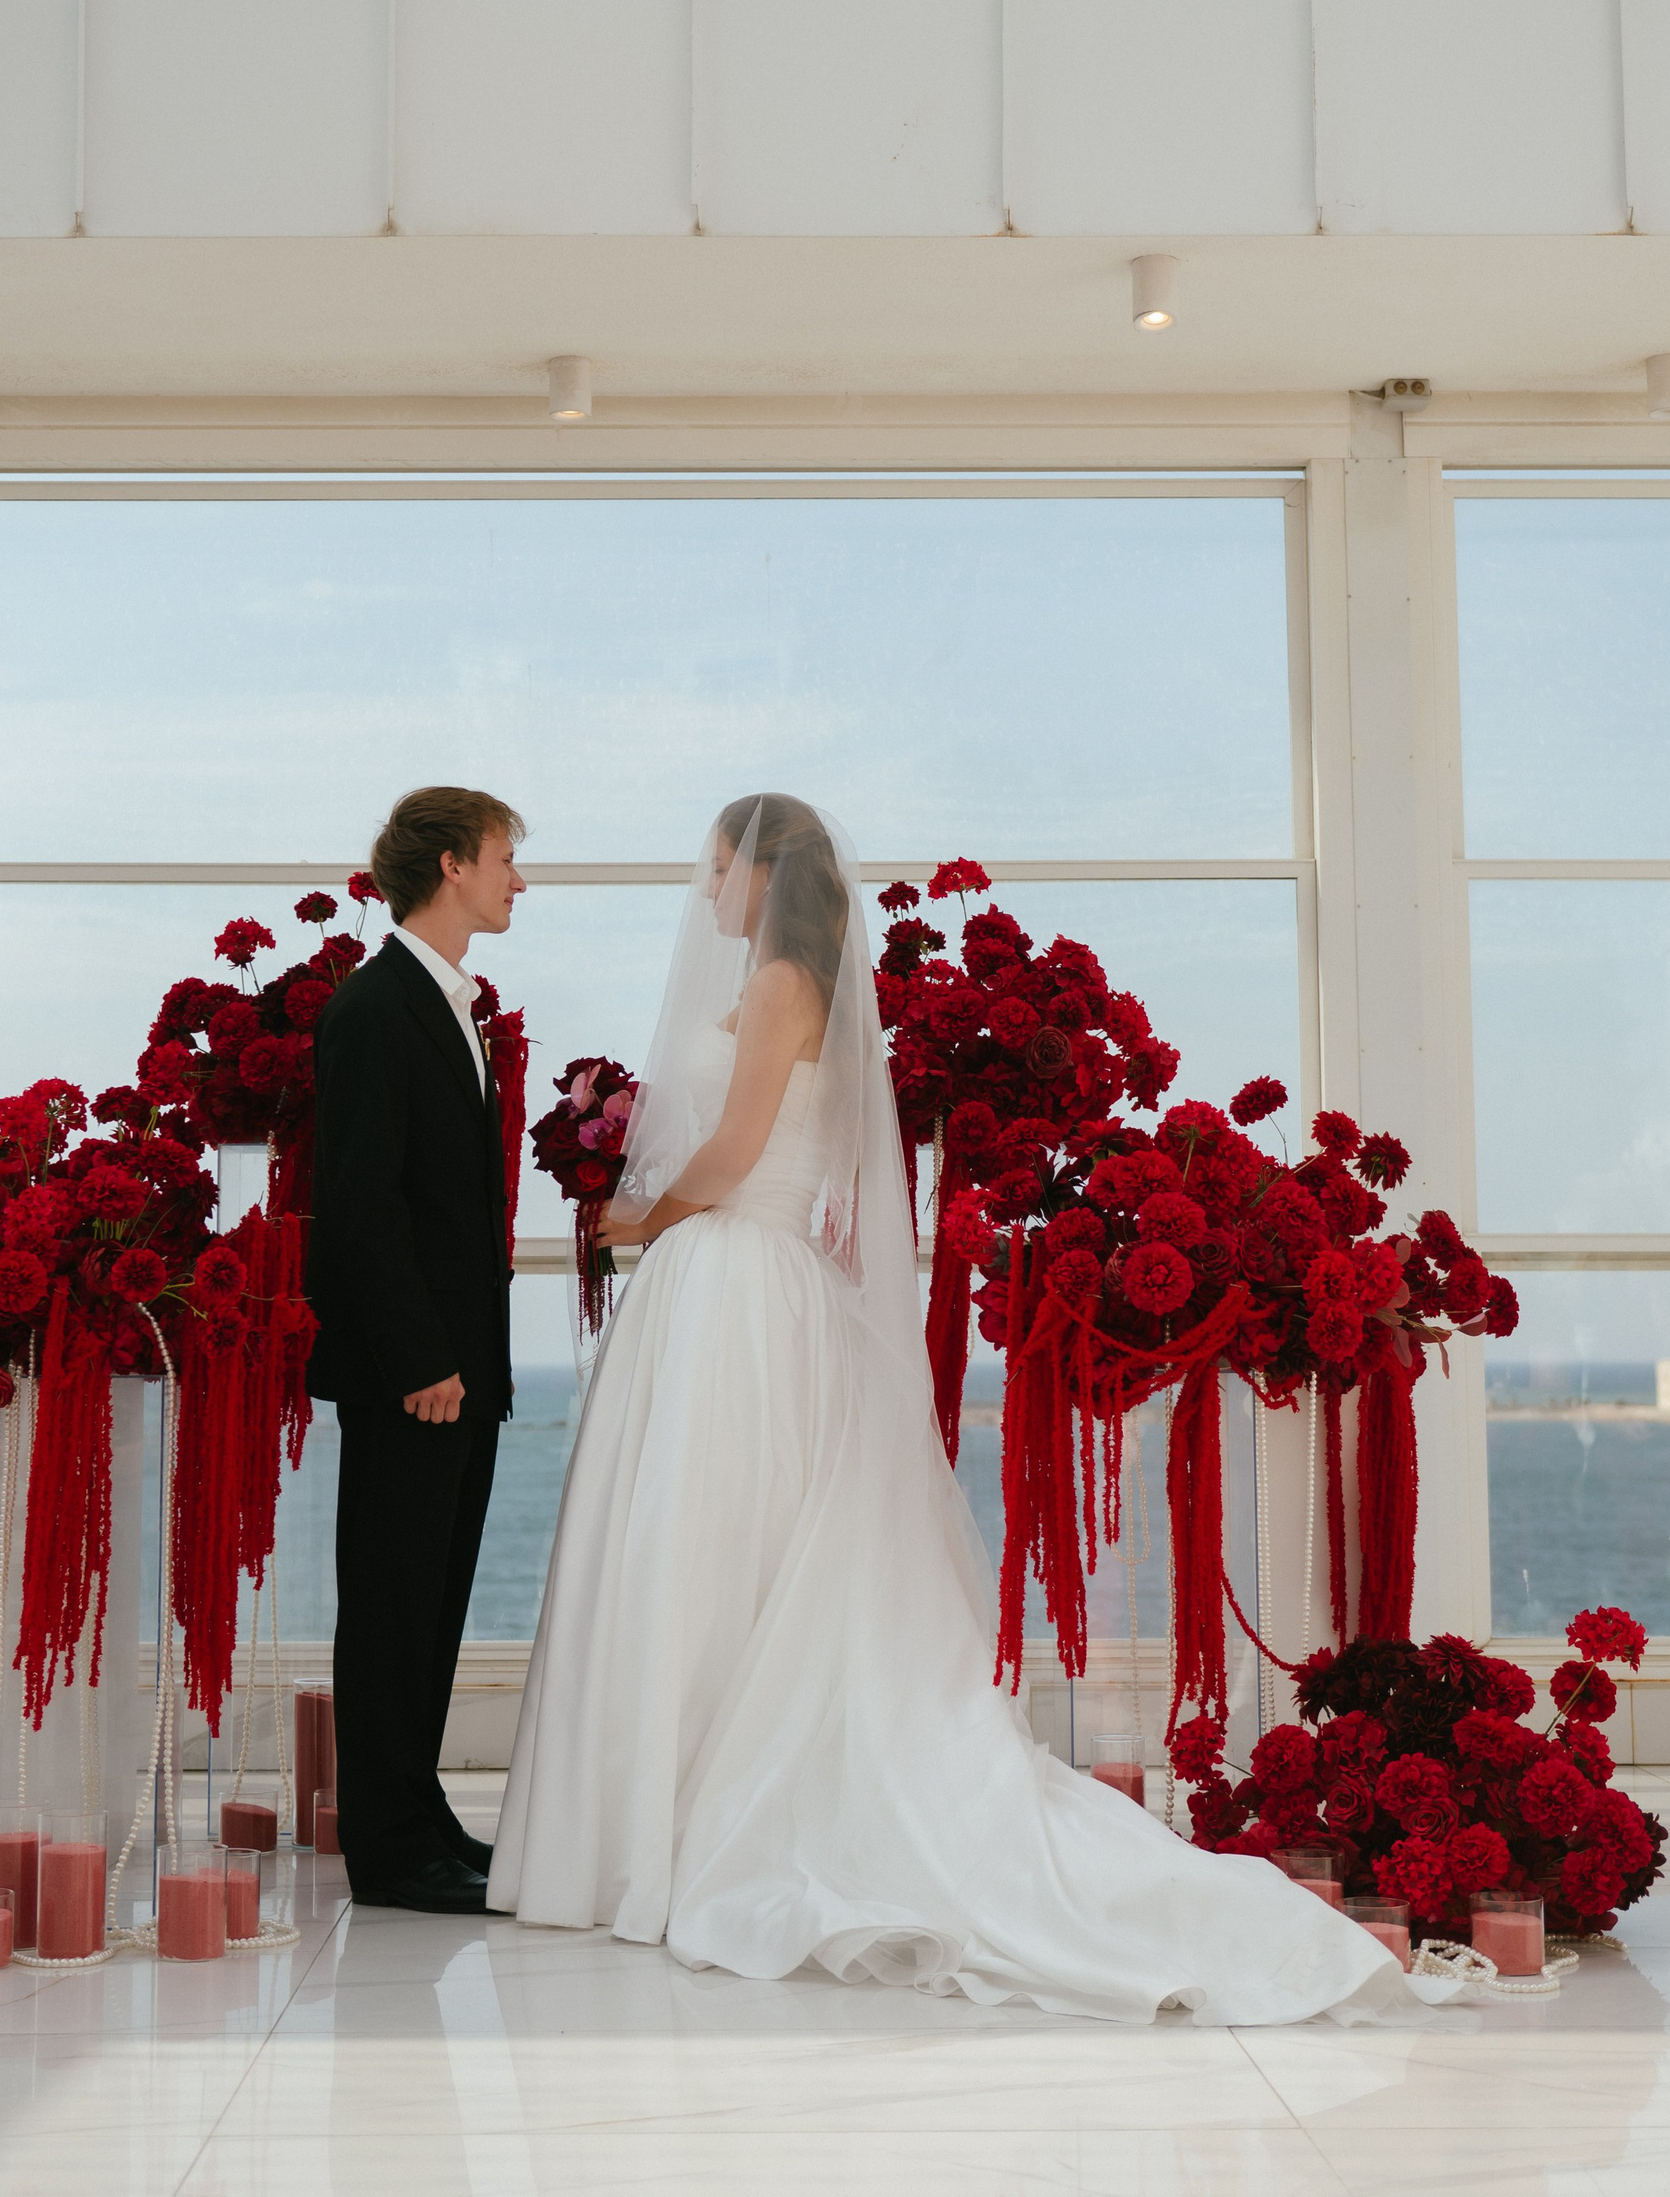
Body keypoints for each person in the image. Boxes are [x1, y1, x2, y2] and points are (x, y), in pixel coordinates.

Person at [490, 795, 1456, 2024]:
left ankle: (666, 1825)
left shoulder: (782, 983)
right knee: (714, 1545)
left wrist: (634, 1217)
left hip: (738, 1274)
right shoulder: (799, 986)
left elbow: (734, 1153)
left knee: (707, 1542)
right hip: (738, 1280)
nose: (707, 889)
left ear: (763, 871)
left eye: (719, 867)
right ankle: (665, 1813)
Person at [307, 784, 526, 1914]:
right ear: (451, 865)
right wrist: (419, 1360)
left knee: (432, 1603)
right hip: (418, 1374)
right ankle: (388, 1850)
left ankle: (416, 1813)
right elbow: (360, 1206)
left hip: (461, 1369)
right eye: (504, 858)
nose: (516, 880)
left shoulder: (445, 1003)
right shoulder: (374, 1007)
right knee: (393, 1602)